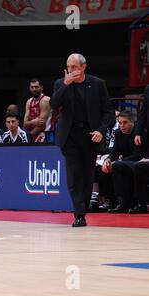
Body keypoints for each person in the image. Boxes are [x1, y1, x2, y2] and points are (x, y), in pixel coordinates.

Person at [50, 53, 114, 227]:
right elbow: (54, 105)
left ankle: (82, 210)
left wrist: (101, 130)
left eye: (74, 67)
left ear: (83, 67)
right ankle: (79, 215)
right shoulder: (60, 83)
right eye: (68, 67)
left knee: (87, 176)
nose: (71, 70)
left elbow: (108, 111)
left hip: (90, 135)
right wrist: (65, 84)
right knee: (74, 176)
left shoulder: (97, 84)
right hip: (69, 136)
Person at [102, 110, 145, 213]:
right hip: (125, 163)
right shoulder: (118, 133)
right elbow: (114, 152)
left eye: (125, 122)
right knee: (104, 168)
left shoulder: (139, 133)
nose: (122, 126)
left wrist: (119, 162)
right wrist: (108, 160)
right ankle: (113, 201)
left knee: (117, 166)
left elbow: (138, 155)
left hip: (140, 161)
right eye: (120, 123)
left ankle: (128, 203)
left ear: (132, 122)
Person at [23, 78, 52, 142]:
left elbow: (42, 125)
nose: (34, 89)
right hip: (32, 133)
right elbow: (24, 124)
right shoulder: (29, 102)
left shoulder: (45, 100)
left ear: (41, 88)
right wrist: (33, 122)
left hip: (46, 133)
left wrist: (28, 136)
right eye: (32, 87)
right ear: (29, 88)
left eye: (36, 87)